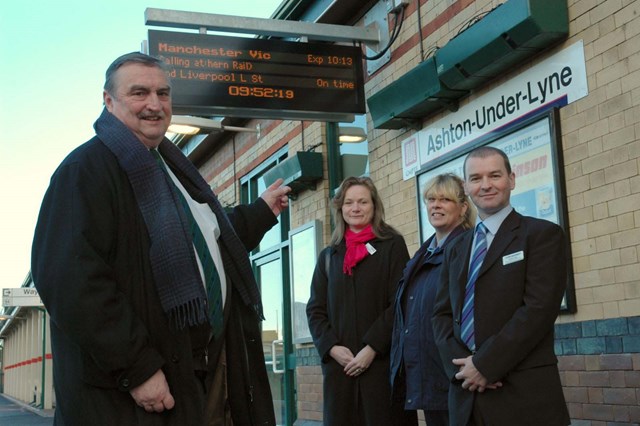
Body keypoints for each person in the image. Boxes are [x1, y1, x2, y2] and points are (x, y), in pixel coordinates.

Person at [31, 52, 290, 426]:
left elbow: (205, 241)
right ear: (109, 100)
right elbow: (72, 283)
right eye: (139, 93)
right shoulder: (84, 171)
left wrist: (259, 213)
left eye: (163, 93)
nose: (154, 105)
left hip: (196, 377)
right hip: (130, 398)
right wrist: (137, 367)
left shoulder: (169, 169)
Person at [432, 146, 570, 426]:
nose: (486, 185)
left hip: (522, 397)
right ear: (466, 187)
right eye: (476, 178)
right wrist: (464, 368)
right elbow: (441, 315)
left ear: (512, 179)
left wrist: (485, 365)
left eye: (495, 175)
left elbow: (538, 310)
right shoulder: (456, 247)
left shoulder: (542, 235)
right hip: (466, 398)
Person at [306, 176, 414, 426]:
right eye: (349, 202)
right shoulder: (329, 256)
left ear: (374, 206)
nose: (355, 208)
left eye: (363, 202)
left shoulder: (392, 246)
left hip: (381, 367)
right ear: (340, 208)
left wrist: (371, 349)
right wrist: (331, 348)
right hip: (340, 372)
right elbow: (315, 310)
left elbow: (400, 302)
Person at [390, 173, 475, 426]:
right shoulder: (422, 255)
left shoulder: (469, 247)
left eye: (445, 199)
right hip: (428, 377)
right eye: (430, 199)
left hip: (456, 374)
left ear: (462, 208)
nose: (435, 205)